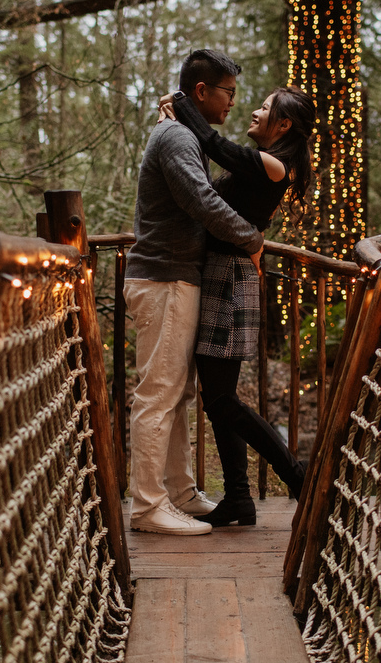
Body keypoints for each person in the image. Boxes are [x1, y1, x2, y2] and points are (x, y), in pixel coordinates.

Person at [124, 49, 265, 536]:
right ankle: (146, 506)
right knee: (158, 393)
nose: (232, 102)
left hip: (177, 277)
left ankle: (179, 492)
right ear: (201, 92)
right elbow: (201, 200)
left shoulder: (183, 133)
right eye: (227, 92)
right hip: (163, 278)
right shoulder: (177, 136)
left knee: (177, 392)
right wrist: (253, 237)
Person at [161, 85, 313, 527]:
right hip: (219, 275)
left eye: (265, 108)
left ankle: (296, 475)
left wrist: (181, 102)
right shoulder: (264, 164)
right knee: (217, 396)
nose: (253, 110)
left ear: (283, 125)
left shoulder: (274, 165)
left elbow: (214, 145)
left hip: (229, 279)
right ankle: (240, 498)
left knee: (223, 398)